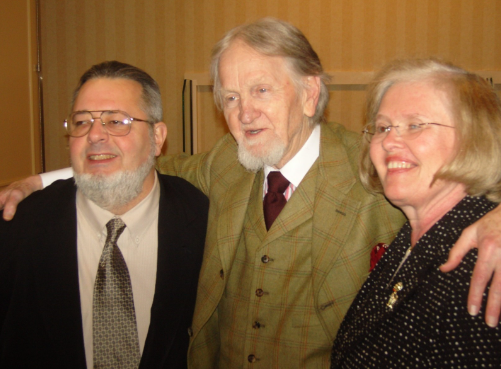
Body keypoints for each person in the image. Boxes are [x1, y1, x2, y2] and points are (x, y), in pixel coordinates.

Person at [1, 18, 501, 368]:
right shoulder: (224, 163)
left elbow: (463, 169)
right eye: (231, 96)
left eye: (261, 90)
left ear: (309, 94)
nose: (243, 113)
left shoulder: (375, 164)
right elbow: (139, 162)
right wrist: (41, 181)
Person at [0, 61, 209, 369]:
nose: (95, 135)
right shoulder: (16, 227)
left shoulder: (202, 218)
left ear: (157, 137)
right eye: (82, 122)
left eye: (116, 121)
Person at [331, 59, 501, 368]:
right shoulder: (411, 238)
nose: (390, 141)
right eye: (383, 127)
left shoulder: (483, 262)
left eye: (415, 125)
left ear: (473, 138)